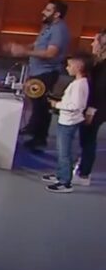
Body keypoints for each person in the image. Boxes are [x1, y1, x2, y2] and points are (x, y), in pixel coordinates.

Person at [7, 0, 71, 151]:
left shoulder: (59, 30)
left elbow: (50, 53)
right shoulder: (49, 27)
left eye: (48, 10)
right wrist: (22, 48)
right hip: (37, 71)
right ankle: (33, 129)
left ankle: (39, 138)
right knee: (36, 104)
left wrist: (25, 52)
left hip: (46, 74)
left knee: (41, 106)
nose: (43, 12)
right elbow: (37, 44)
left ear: (57, 14)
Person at [41, 54, 91, 193]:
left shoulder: (79, 85)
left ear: (79, 67)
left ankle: (65, 182)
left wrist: (56, 104)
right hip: (66, 120)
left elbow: (76, 105)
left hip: (69, 122)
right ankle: (60, 174)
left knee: (64, 152)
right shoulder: (78, 83)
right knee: (61, 150)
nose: (67, 68)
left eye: (69, 65)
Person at [75, 31, 106, 186]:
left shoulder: (103, 67)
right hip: (94, 107)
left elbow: (100, 90)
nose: (92, 44)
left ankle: (84, 174)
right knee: (86, 139)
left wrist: (91, 110)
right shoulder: (98, 63)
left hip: (96, 109)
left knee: (88, 139)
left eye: (95, 41)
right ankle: (82, 167)